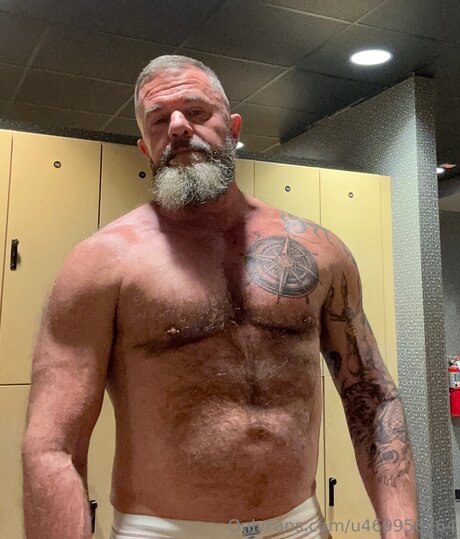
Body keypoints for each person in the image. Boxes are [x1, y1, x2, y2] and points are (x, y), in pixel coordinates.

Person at [21, 55, 419, 539]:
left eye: (196, 111)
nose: (178, 127)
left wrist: (401, 532)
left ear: (233, 129)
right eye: (158, 121)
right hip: (161, 532)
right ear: (145, 148)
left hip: (299, 526)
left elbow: (372, 397)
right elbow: (53, 448)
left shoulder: (319, 252)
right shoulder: (101, 265)